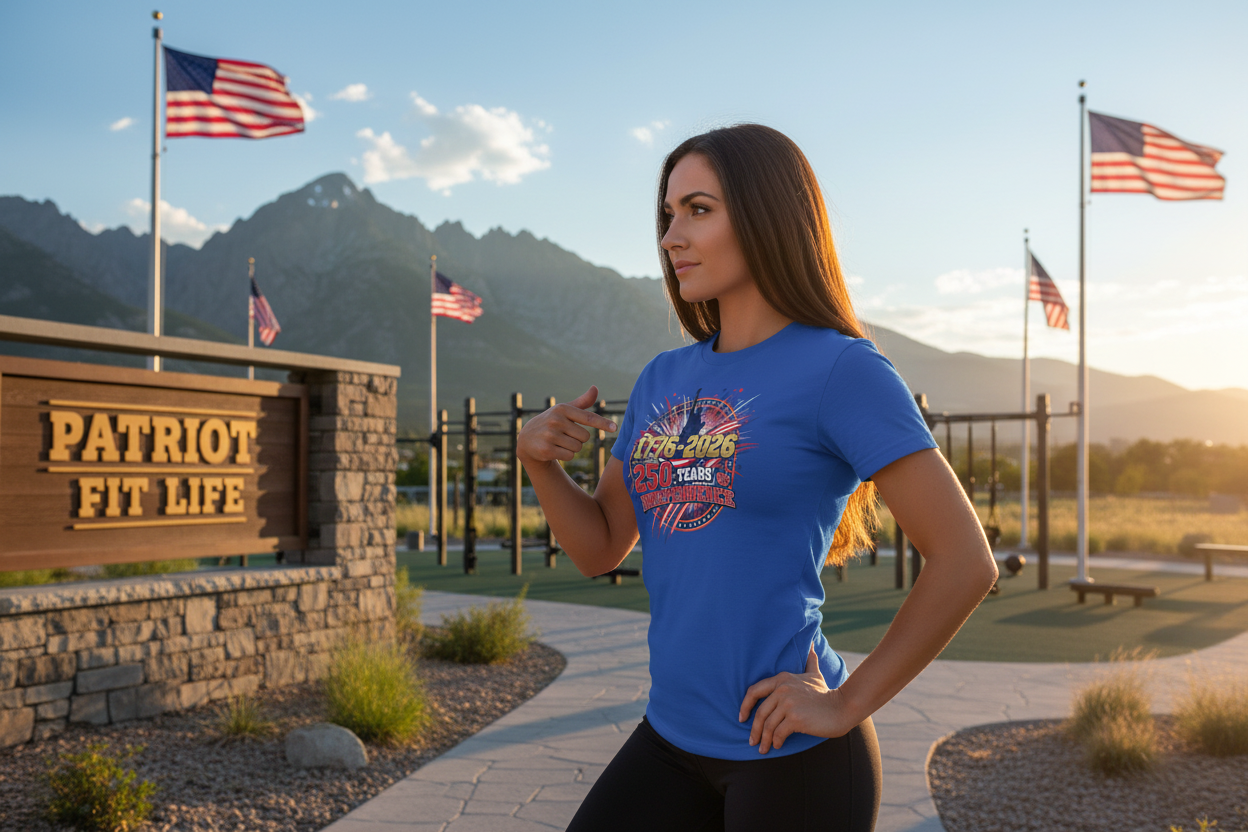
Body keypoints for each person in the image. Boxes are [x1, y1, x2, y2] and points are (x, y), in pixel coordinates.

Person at [517, 124, 998, 832]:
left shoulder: (844, 370)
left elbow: (965, 562)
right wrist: (540, 464)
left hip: (792, 751)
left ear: (769, 217)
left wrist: (843, 703)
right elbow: (600, 548)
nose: (672, 235)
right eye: (668, 214)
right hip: (670, 736)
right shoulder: (662, 378)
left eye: (699, 210)